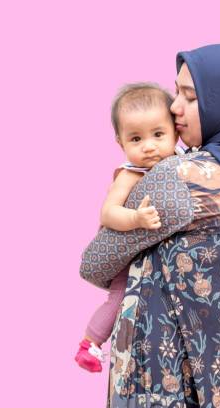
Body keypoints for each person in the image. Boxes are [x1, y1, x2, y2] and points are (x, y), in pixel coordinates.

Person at [80, 44, 220, 407]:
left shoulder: (178, 176)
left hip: (169, 376)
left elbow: (95, 263)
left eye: (189, 97)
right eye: (177, 92)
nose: (173, 106)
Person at [75, 83, 183, 373]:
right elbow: (108, 213)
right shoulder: (130, 174)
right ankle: (90, 343)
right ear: (121, 143)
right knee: (119, 297)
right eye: (136, 138)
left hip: (158, 254)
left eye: (158, 135)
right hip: (127, 251)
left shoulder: (181, 162)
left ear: (175, 132)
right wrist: (136, 218)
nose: (148, 146)